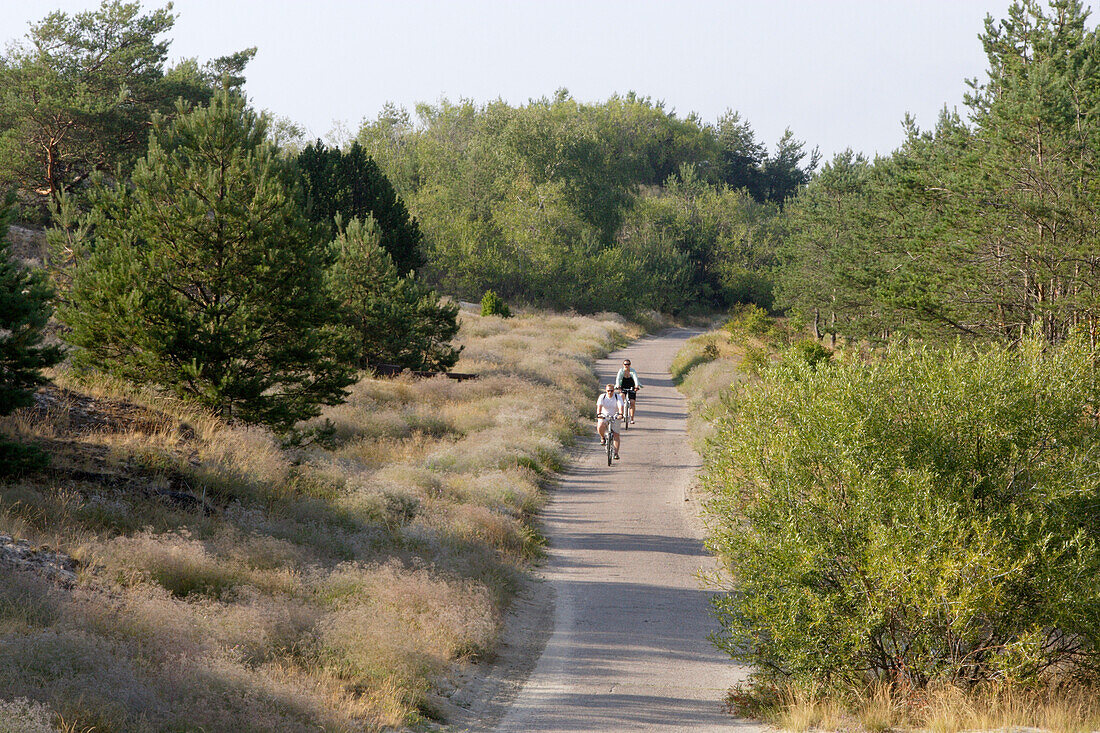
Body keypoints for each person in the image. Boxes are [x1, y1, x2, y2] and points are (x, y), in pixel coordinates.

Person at [595, 383, 623, 460]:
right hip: (604, 415)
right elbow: (599, 406)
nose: (610, 392)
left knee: (616, 435)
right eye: (608, 391)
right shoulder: (602, 397)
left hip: (615, 416)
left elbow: (621, 406)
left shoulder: (618, 397)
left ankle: (616, 453)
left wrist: (620, 414)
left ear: (614, 391)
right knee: (600, 424)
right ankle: (602, 437)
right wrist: (599, 414)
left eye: (611, 391)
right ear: (606, 390)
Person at [615, 359, 642, 424]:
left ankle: (632, 418)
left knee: (632, 402)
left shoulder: (632, 371)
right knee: (621, 396)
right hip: (623, 385)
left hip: (631, 386)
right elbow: (618, 379)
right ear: (623, 365)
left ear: (630, 365)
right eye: (625, 364)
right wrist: (618, 386)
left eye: (628, 364)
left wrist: (636, 386)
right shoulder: (621, 371)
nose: (626, 366)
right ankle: (620, 413)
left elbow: (635, 378)